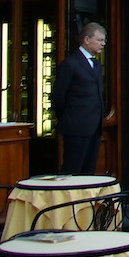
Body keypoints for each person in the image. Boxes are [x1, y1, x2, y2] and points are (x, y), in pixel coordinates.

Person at [51, 22, 107, 174]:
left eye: (104, 41)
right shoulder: (70, 64)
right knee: (73, 169)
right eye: (99, 40)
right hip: (76, 127)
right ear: (87, 40)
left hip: (94, 127)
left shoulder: (96, 65)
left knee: (89, 171)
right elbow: (58, 96)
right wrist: (66, 117)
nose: (102, 44)